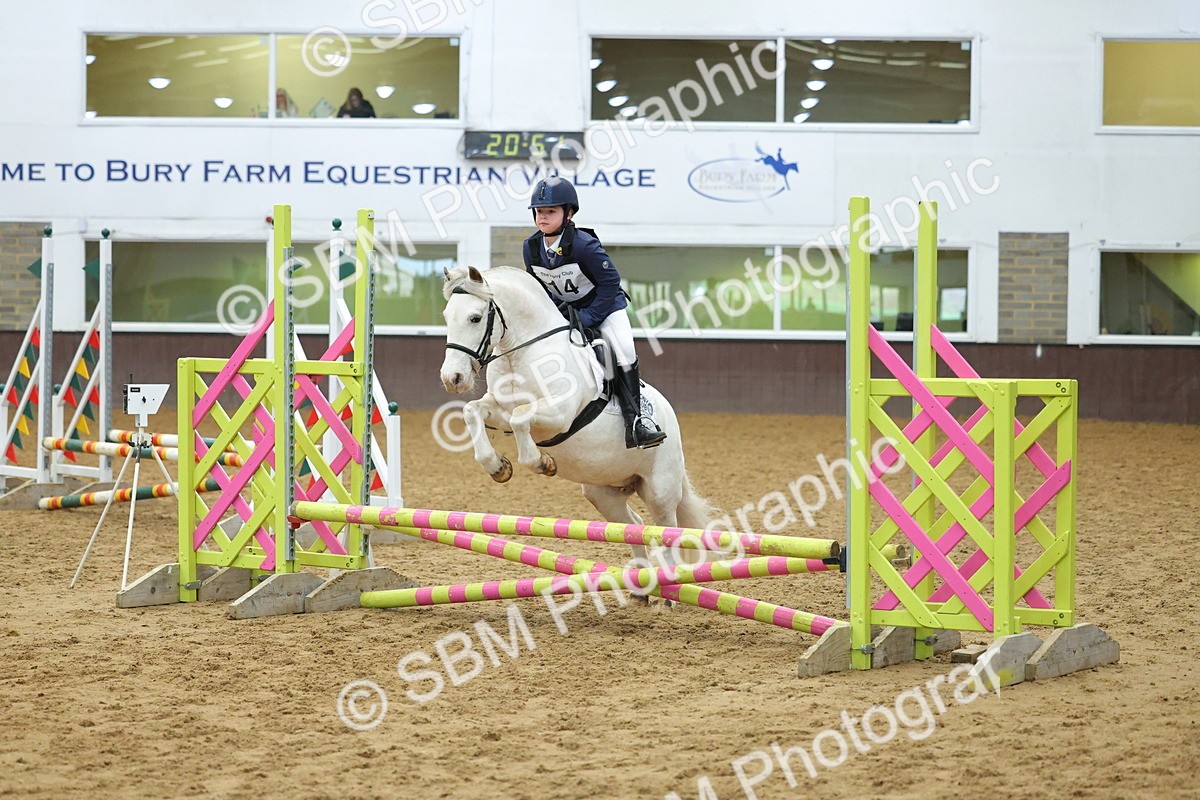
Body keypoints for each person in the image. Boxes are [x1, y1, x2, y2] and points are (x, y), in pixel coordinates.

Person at [522, 177, 667, 450]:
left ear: (569, 214)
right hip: (567, 311)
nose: (543, 217)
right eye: (539, 211)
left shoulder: (584, 245)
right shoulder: (531, 248)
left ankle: (636, 422)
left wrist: (589, 317)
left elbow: (611, 283)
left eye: (551, 211)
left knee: (624, 349)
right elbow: (542, 288)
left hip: (606, 306)